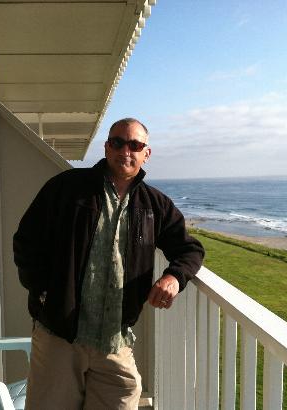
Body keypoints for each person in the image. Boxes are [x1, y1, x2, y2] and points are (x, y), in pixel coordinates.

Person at [13, 118, 205, 409]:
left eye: (135, 145)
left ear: (146, 153)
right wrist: (44, 292)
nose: (125, 150)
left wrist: (174, 278)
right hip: (59, 336)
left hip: (114, 340)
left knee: (125, 395)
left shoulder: (155, 205)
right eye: (117, 142)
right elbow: (27, 240)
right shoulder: (67, 187)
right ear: (106, 147)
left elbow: (189, 249)